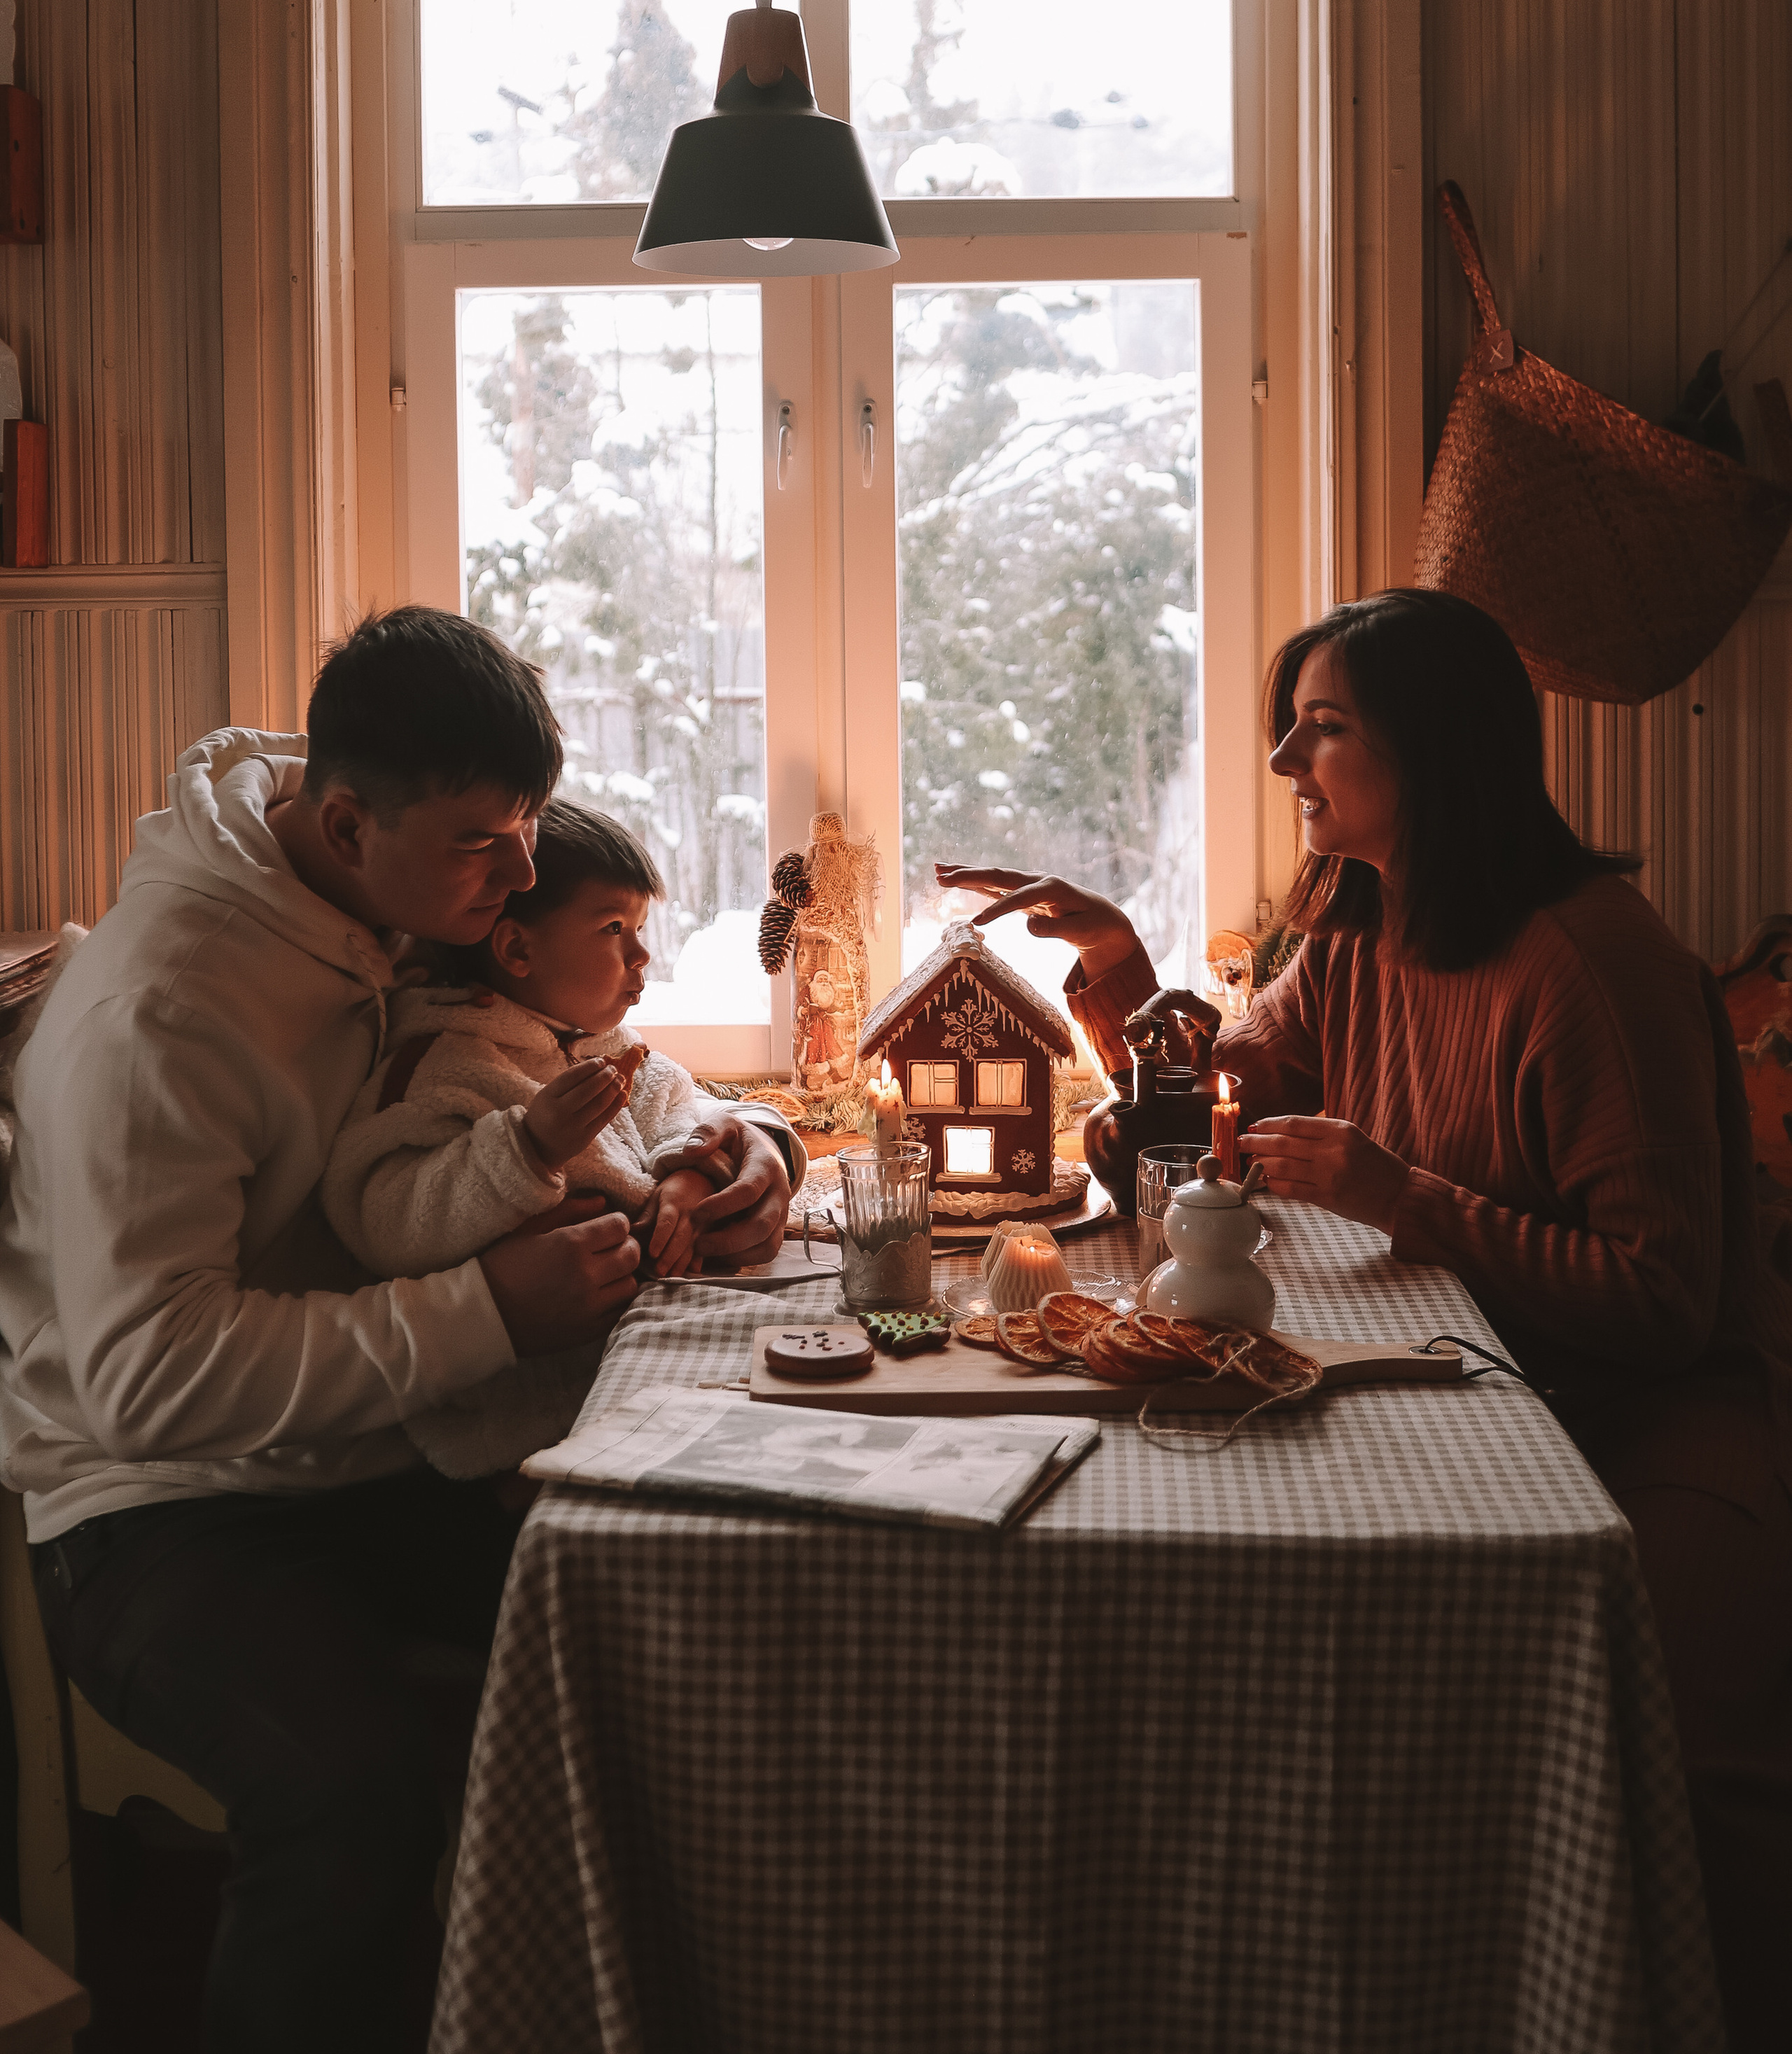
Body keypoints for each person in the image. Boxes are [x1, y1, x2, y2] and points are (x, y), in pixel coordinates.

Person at [941, 587, 1792, 2054]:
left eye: (1320, 730)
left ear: (1434, 749)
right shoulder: (1350, 921)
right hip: (1452, 1379)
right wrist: (1127, 977)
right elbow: (1234, 1087)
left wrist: (1408, 1196)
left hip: (1651, 1414)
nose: (1285, 760)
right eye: (1291, 726)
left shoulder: (1593, 968)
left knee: (1682, 1749)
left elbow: (1659, 1305)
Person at [0, 608, 796, 2053]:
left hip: (364, 1455)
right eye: (487, 845)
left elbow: (601, 1062)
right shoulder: (163, 1011)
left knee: (688, 1617)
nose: (526, 877)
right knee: (347, 1797)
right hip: (158, 1517)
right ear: (349, 820)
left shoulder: (392, 905)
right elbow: (143, 1386)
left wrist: (750, 1142)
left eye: (532, 829)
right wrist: (485, 1308)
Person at [322, 798, 743, 1477]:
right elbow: (386, 1218)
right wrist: (525, 1150)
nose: (641, 955)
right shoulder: (446, 1061)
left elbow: (673, 1098)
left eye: (640, 927)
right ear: (517, 947)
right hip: (514, 1436)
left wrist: (688, 1169)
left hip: (632, 1387)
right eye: (613, 928)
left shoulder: (599, 1044)